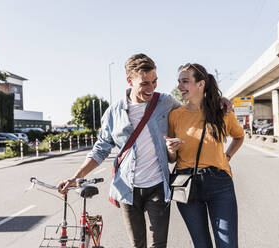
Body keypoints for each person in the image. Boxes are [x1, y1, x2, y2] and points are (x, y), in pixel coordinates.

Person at [58, 53, 181, 248]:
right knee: (137, 244)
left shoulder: (165, 102)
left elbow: (192, 112)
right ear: (129, 80)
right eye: (144, 84)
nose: (151, 88)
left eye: (154, 82)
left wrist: (219, 101)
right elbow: (100, 150)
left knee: (159, 244)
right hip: (127, 189)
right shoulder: (114, 113)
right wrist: (76, 177)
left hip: (157, 184)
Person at [165, 63, 244, 248]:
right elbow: (171, 159)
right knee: (201, 245)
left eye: (185, 81)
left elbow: (239, 137)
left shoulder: (222, 111)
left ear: (200, 84)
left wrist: (228, 157)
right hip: (186, 183)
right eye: (179, 81)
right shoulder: (175, 115)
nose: (179, 86)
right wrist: (171, 149)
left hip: (220, 183)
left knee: (228, 245)